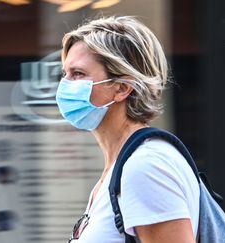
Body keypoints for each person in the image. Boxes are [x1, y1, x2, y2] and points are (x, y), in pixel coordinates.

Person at [55, 16, 200, 243]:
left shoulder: (146, 167)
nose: (65, 85)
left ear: (122, 88)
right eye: (65, 74)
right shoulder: (120, 169)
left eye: (79, 74)